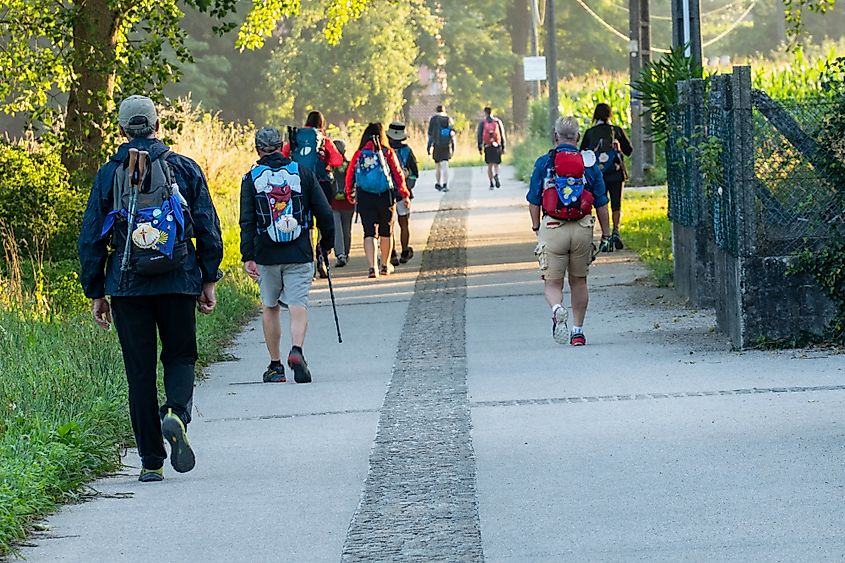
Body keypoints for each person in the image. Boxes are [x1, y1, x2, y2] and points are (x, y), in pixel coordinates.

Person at [78, 95, 224, 483]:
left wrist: (96, 290)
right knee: (180, 355)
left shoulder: (109, 174)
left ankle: (150, 462)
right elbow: (207, 225)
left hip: (127, 286)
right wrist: (208, 277)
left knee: (139, 372)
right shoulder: (184, 167)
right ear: (158, 125)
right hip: (178, 280)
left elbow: (92, 236)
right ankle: (175, 412)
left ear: (122, 129)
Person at [240, 127, 335, 384]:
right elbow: (325, 212)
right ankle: (297, 350)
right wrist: (326, 244)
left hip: (266, 253)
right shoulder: (302, 173)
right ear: (282, 146)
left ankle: (275, 366)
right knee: (297, 304)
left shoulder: (250, 178)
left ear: (257, 148)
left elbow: (247, 220)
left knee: (270, 306)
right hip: (300, 250)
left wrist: (248, 255)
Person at [527, 116, 612, 347]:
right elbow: (601, 201)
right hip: (582, 227)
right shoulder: (589, 164)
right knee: (579, 281)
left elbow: (534, 200)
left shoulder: (545, 162)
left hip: (553, 226)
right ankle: (577, 331)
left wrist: (537, 228)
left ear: (556, 136)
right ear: (577, 137)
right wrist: (606, 233)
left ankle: (557, 309)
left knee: (552, 284)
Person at [345, 122, 411, 278]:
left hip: (364, 195)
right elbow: (397, 174)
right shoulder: (387, 152)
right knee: (385, 231)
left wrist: (349, 193)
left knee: (369, 232)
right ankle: (384, 265)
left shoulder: (360, 153)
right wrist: (404, 194)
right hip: (385, 195)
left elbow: (350, 173)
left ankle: (372, 267)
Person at [283, 110, 343, 277]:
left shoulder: (295, 138)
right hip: (321, 184)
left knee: (305, 223)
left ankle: (307, 260)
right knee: (323, 220)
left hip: (298, 184)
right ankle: (322, 255)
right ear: (321, 124)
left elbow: (283, 156)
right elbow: (337, 160)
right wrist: (326, 162)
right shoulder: (323, 139)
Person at [580, 103, 633, 250]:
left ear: (595, 115)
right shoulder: (616, 131)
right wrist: (618, 148)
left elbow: (582, 153)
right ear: (610, 114)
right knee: (616, 204)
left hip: (598, 175)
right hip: (616, 173)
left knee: (600, 203)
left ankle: (606, 237)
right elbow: (629, 150)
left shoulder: (590, 133)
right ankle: (616, 231)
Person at [387, 121, 419, 264]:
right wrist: (408, 187)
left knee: (389, 224)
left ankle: (392, 253)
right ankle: (405, 251)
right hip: (403, 191)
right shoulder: (407, 151)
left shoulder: (384, 150)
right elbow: (415, 173)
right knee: (404, 223)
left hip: (386, 191)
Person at [331, 139, 355, 267]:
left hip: (333, 201)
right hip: (349, 202)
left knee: (337, 229)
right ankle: (345, 253)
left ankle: (340, 254)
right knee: (347, 229)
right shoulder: (350, 165)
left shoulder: (328, 166)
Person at [476, 106, 507, 190]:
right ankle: (496, 175)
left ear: (485, 113)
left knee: (490, 165)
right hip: (497, 145)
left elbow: (479, 135)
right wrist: (503, 146)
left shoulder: (482, 123)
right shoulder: (497, 121)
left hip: (487, 145)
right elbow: (502, 134)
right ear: (492, 112)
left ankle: (491, 183)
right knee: (497, 164)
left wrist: (479, 147)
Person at [427, 105, 455, 192]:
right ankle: (445, 184)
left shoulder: (433, 119)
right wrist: (453, 148)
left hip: (437, 145)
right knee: (445, 165)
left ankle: (438, 183)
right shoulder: (449, 119)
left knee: (438, 166)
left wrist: (429, 147)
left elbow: (430, 135)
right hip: (446, 145)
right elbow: (453, 134)